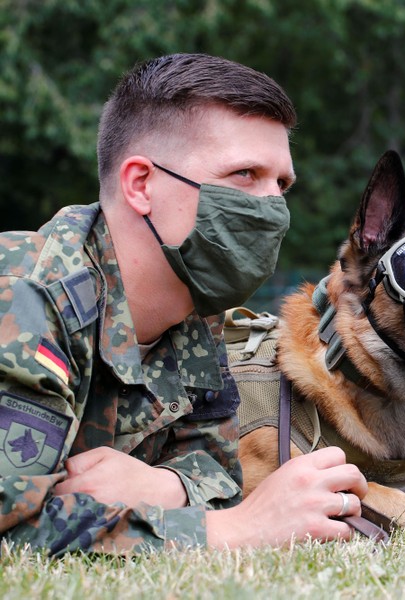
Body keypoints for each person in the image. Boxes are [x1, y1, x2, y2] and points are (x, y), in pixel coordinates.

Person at [0, 54, 367, 555]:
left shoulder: (197, 313)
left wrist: (160, 488)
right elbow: (13, 522)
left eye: (280, 184)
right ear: (141, 184)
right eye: (244, 174)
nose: (272, 208)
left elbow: (217, 468)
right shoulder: (24, 296)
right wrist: (236, 532)